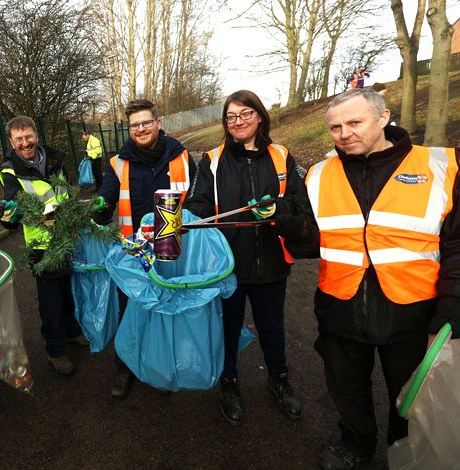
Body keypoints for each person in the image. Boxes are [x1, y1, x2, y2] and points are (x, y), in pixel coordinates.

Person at [293, 87, 460, 469]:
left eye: (354, 122)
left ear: (384, 117)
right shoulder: (318, 175)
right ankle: (356, 443)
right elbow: (313, 241)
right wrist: (297, 230)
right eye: (335, 127)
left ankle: (405, 450)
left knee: (412, 394)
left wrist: (452, 307)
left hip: (413, 311)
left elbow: (456, 247)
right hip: (340, 305)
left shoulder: (441, 167)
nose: (344, 133)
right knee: (346, 386)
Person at [184, 90, 309, 425]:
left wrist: (278, 209)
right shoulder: (212, 159)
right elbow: (198, 204)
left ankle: (278, 380)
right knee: (226, 329)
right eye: (231, 117)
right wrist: (182, 220)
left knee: (272, 328)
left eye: (245, 114)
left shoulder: (282, 155)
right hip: (226, 267)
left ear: (260, 116)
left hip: (272, 264)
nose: (238, 122)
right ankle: (229, 383)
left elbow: (299, 206)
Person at [93, 98, 196, 398]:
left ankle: (161, 366)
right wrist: (100, 209)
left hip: (173, 249)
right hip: (133, 253)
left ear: (158, 123)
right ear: (129, 129)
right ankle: (125, 368)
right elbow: (107, 196)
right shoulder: (118, 163)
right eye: (135, 125)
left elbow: (198, 198)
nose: (141, 129)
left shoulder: (181, 157)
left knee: (165, 307)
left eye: (146, 122)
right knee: (130, 310)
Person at [0, 116, 87, 375]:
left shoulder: (56, 159)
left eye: (29, 136)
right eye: (19, 139)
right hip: (40, 245)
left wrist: (70, 211)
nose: (25, 143)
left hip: (65, 237)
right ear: (12, 143)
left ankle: (71, 331)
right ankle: (56, 350)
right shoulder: (9, 171)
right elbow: (16, 208)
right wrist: (13, 216)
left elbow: (67, 192)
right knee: (51, 301)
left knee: (68, 289)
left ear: (37, 135)